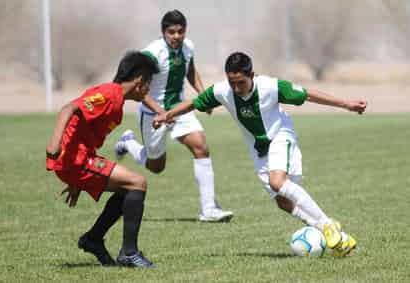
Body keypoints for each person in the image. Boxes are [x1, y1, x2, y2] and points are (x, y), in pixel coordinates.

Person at [153, 52, 368, 257]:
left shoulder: (271, 87)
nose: (236, 88)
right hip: (259, 149)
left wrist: (346, 104)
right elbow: (194, 103)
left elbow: (308, 94)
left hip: (280, 137)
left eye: (241, 83)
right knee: (283, 202)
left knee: (278, 182)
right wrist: (167, 115)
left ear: (251, 76)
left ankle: (327, 224)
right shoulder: (222, 91)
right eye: (232, 83)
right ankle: (334, 234)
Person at [115, 10, 233, 222]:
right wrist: (161, 113)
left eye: (180, 31)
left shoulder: (188, 47)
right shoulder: (152, 53)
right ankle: (128, 142)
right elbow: (138, 88)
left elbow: (190, 72)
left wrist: (203, 96)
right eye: (172, 32)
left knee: (201, 147)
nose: (176, 36)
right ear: (163, 32)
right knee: (156, 167)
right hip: (153, 113)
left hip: (179, 109)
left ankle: (208, 210)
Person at [46, 51, 160, 268]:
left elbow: (83, 129)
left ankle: (94, 239)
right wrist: (54, 144)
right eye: (149, 83)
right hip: (73, 160)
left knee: (128, 188)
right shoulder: (108, 94)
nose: (148, 90)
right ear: (139, 80)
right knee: (138, 183)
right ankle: (129, 253)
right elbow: (68, 108)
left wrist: (76, 181)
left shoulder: (117, 99)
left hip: (80, 159)